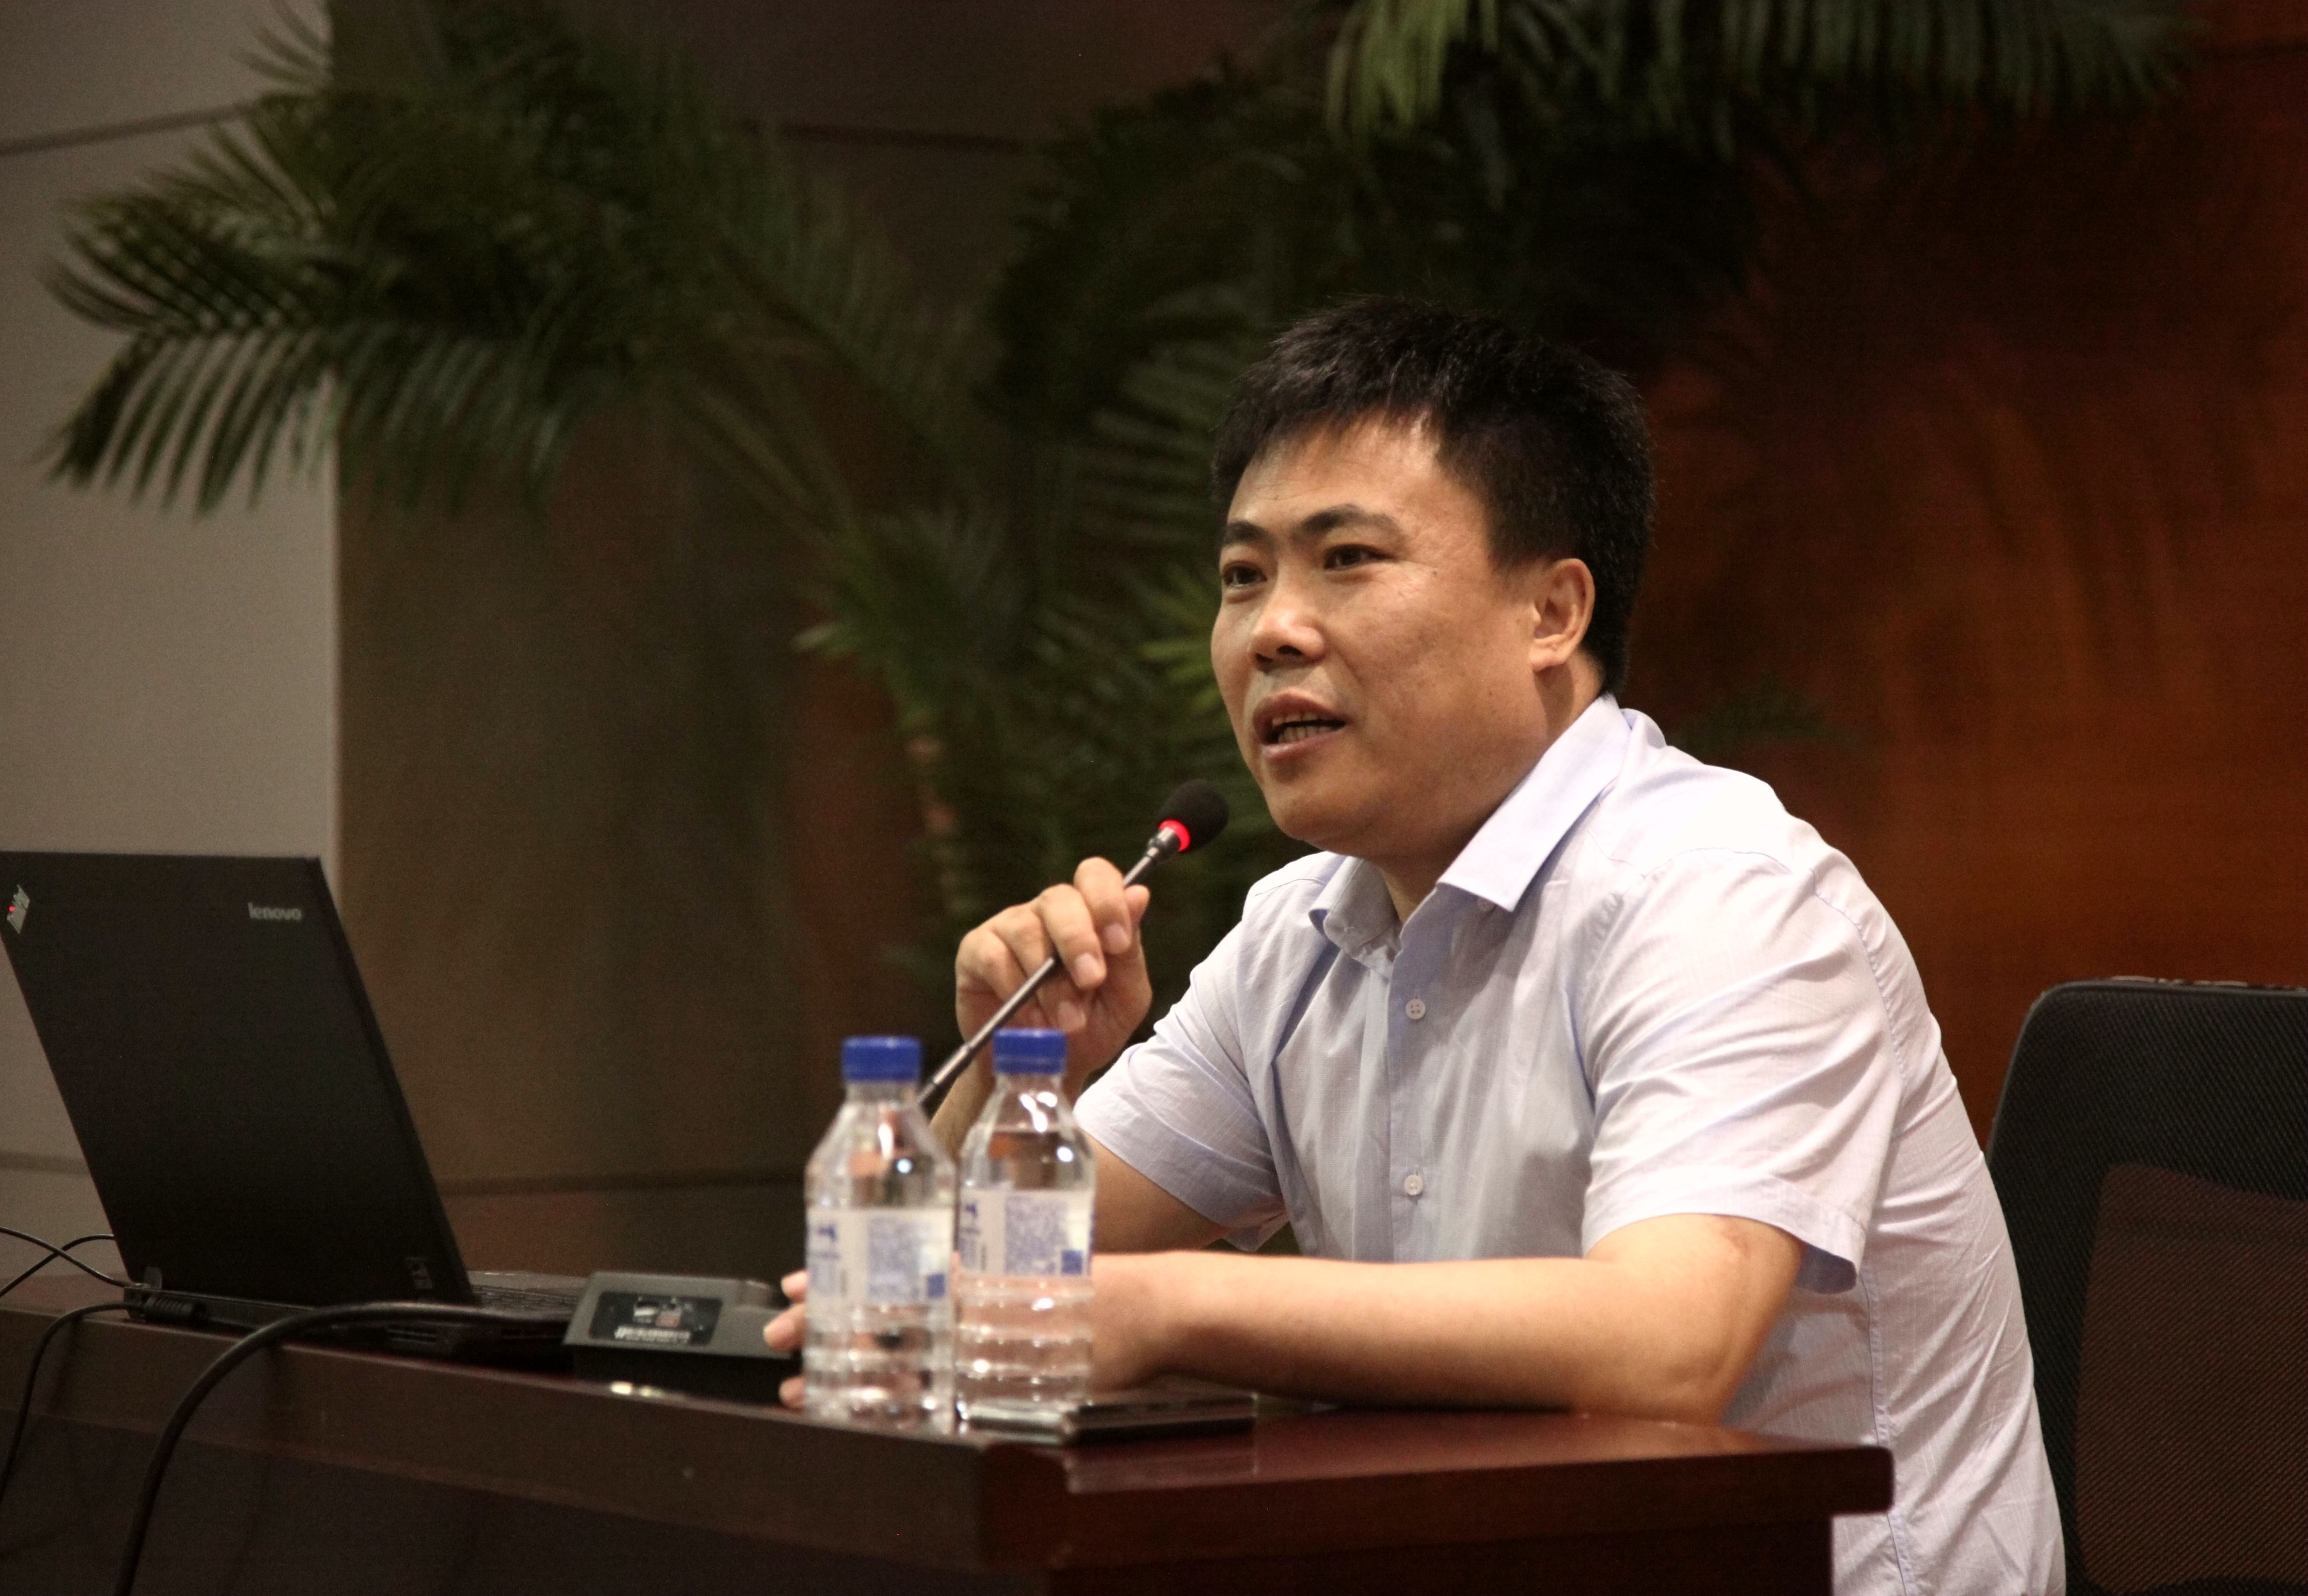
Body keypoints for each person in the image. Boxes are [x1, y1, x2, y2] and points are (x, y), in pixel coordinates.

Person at [767, 297, 2062, 1596]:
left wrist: (1167, 1309)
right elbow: (965, 1296)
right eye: (1243, 575)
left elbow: (1666, 1344)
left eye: (1347, 559)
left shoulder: (1724, 895)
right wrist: (1024, 1080)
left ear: (1551, 611)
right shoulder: (1299, 931)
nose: (1273, 628)